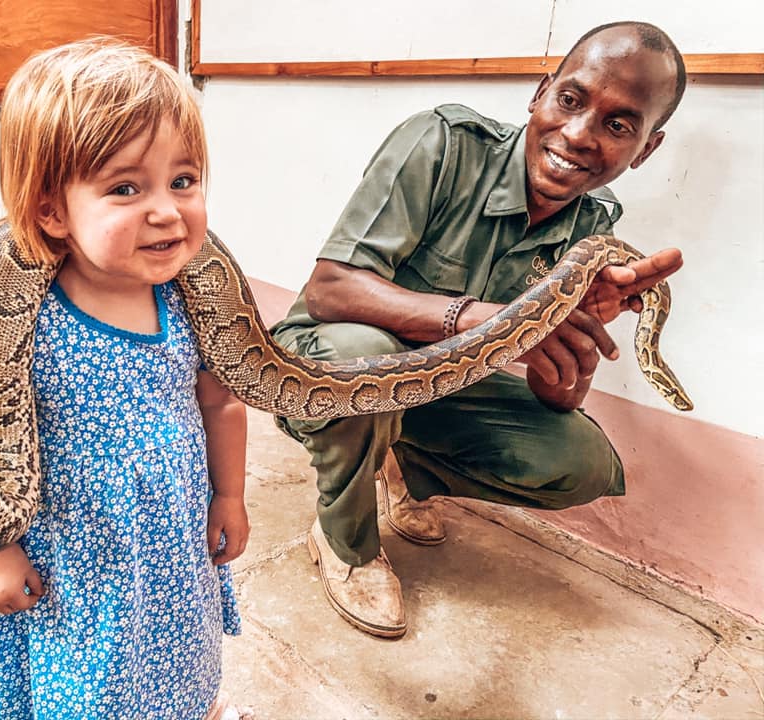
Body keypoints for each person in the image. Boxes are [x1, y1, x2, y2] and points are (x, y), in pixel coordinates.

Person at [272, 21, 687, 639]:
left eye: (619, 125)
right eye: (570, 100)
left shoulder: (594, 234)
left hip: (442, 387)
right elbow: (331, 289)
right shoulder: (442, 143)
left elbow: (555, 398)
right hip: (324, 363)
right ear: (540, 92)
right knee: (370, 360)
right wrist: (491, 320)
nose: (579, 134)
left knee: (580, 459)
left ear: (646, 149)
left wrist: (575, 352)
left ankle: (398, 467)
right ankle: (347, 544)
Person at [0, 38, 249, 719]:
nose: (166, 210)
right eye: (126, 187)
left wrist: (229, 497)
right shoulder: (23, 319)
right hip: (74, 561)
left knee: (179, 671)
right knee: (84, 691)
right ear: (51, 211)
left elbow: (222, 404)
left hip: (172, 544)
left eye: (183, 180)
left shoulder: (189, 300)